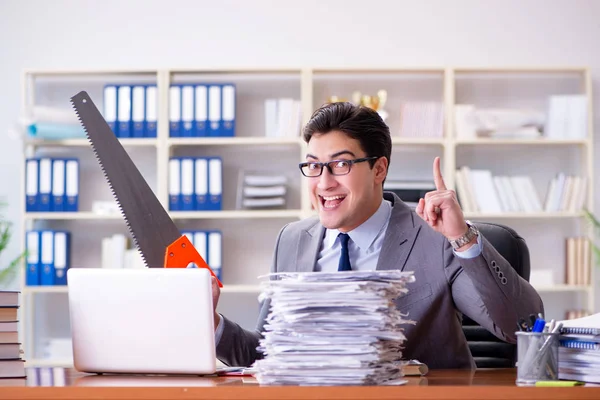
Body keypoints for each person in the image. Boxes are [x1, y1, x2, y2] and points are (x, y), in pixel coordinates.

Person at [211, 101, 544, 369]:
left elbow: (521, 325)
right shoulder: (293, 238)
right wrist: (210, 323)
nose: (324, 183)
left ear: (379, 169)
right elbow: (268, 354)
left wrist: (464, 239)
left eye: (340, 165)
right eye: (313, 166)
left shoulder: (433, 236)